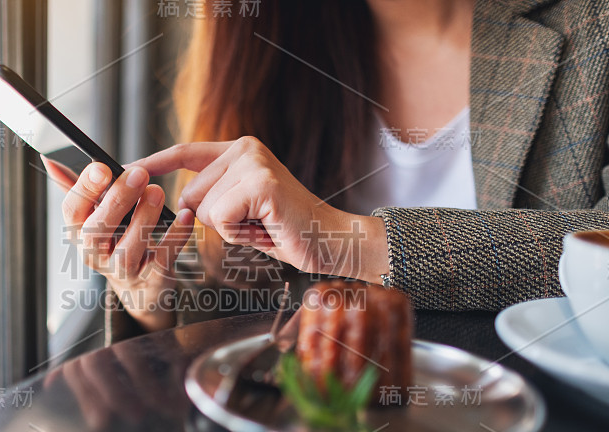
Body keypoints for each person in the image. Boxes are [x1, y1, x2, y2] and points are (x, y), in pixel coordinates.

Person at [43, 0, 609, 344]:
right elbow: (228, 302)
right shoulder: (270, 44)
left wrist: (348, 240)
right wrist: (151, 301)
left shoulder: (591, 27)